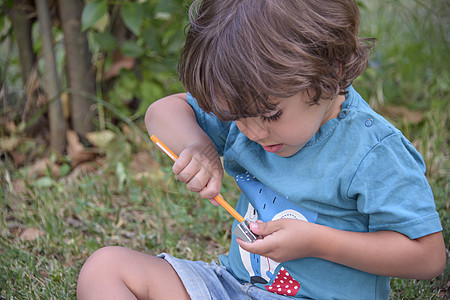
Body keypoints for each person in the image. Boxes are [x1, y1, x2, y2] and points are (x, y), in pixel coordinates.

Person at [77, 0, 446, 299]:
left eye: (270, 114)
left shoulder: (372, 151)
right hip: (233, 287)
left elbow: (427, 258)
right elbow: (162, 111)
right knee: (105, 268)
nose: (251, 131)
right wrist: (199, 147)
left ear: (330, 72)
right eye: (234, 116)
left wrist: (318, 243)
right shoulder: (251, 110)